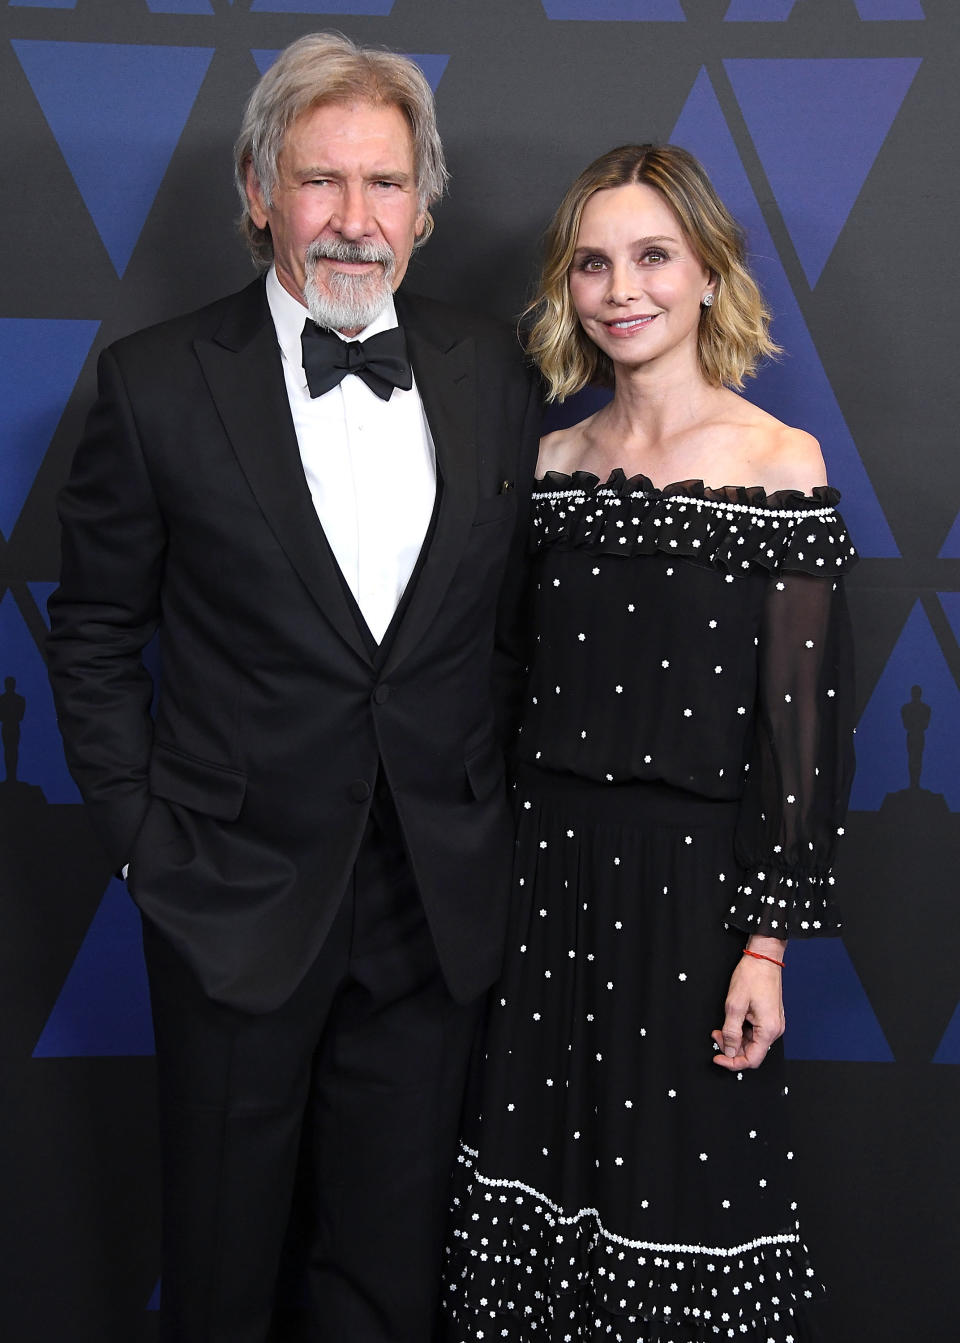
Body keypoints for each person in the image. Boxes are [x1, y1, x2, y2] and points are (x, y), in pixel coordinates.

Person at [46, 32, 539, 1343]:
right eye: (321, 182)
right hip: (231, 893)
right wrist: (152, 848)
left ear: (426, 210)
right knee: (221, 1268)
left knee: (387, 1272)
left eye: (385, 185)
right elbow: (91, 631)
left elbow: (498, 628)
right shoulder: (154, 386)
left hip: (432, 899)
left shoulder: (495, 372)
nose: (354, 219)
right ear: (259, 191)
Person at [443, 144, 857, 1342]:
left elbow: (802, 741)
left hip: (696, 902)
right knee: (532, 1220)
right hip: (542, 887)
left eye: (653, 255)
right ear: (567, 289)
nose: (621, 287)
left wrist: (765, 947)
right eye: (592, 262)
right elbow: (502, 683)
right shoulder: (549, 466)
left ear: (710, 275)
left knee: (685, 1219)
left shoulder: (780, 463)